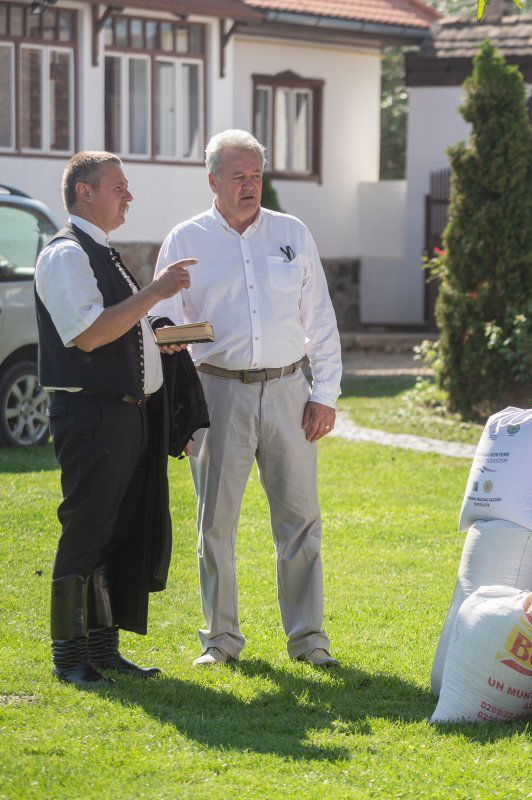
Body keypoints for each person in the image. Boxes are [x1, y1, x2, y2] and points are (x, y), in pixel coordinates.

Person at [152, 130, 343, 668]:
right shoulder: (184, 240)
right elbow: (164, 326)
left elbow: (320, 318)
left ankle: (309, 641)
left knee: (301, 521)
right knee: (215, 524)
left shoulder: (292, 233)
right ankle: (220, 641)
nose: (250, 185)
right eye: (238, 176)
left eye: (256, 175)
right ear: (212, 180)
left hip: (289, 391)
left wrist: (324, 394)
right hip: (216, 393)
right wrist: (180, 408)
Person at [35, 151, 199, 686]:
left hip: (125, 417)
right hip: (91, 416)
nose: (128, 195)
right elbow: (88, 334)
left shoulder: (101, 251)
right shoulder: (65, 255)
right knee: (86, 530)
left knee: (116, 531)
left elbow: (123, 329)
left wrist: (160, 338)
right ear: (85, 192)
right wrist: (155, 292)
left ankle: (103, 651)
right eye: (119, 186)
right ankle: (68, 658)